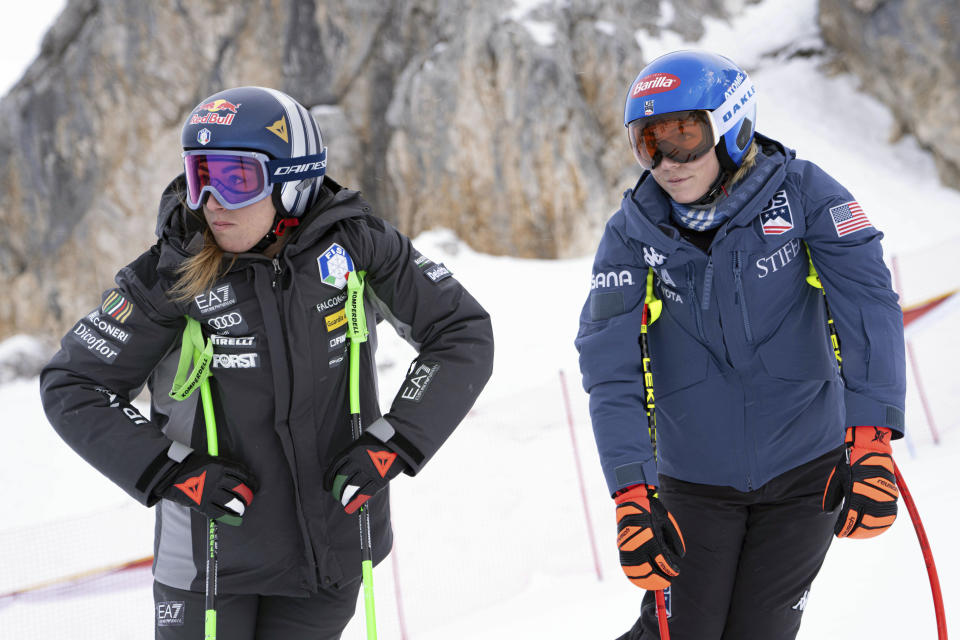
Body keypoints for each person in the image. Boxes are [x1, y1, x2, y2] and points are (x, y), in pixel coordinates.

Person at [40, 86, 494, 639]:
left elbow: (460, 331)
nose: (210, 200)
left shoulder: (357, 247)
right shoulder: (171, 273)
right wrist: (170, 470)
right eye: (198, 175)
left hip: (329, 553)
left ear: (294, 182)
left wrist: (395, 441)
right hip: (209, 566)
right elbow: (74, 383)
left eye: (235, 179)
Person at [575, 50, 905, 640]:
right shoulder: (631, 235)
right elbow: (610, 368)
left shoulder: (803, 195)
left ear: (733, 126)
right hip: (692, 483)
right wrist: (631, 491)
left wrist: (872, 438)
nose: (666, 162)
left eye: (683, 136)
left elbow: (868, 305)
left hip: (807, 474)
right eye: (647, 143)